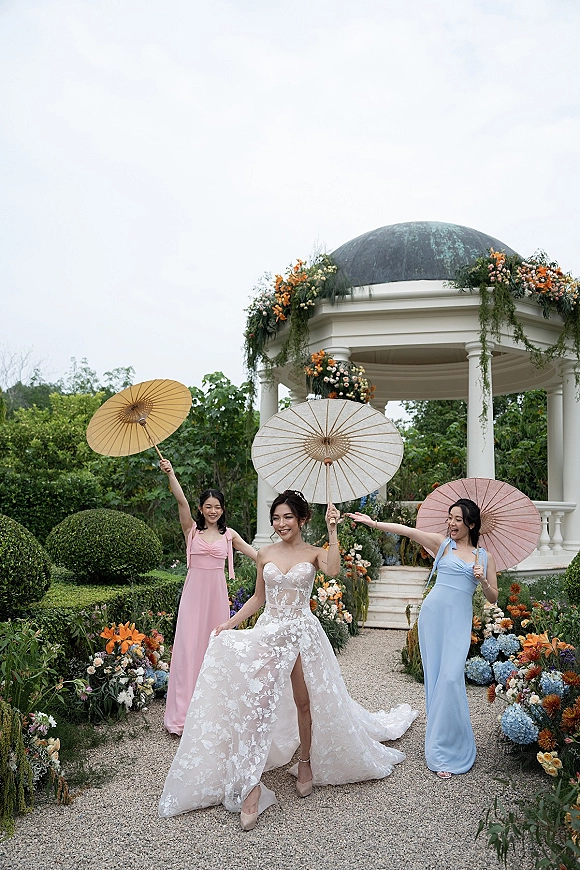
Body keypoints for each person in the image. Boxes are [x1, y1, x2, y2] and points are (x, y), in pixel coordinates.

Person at [159, 490, 417, 830]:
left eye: (287, 518)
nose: (281, 524)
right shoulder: (264, 552)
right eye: (276, 518)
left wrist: (334, 530)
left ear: (301, 519)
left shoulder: (314, 553)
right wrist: (229, 623)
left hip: (301, 634)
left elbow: (335, 570)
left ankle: (306, 761)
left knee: (304, 702)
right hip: (270, 632)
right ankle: (250, 784)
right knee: (257, 703)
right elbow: (257, 599)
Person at [347, 498, 498, 779]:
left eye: (457, 519)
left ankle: (455, 742)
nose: (451, 523)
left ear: (471, 524)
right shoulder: (442, 544)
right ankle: (440, 749)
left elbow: (493, 597)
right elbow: (407, 531)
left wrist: (484, 581)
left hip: (458, 621)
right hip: (433, 617)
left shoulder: (484, 557)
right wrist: (373, 523)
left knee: (452, 678)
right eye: (449, 518)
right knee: (438, 679)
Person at [159, 458, 257, 735]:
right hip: (193, 597)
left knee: (214, 649)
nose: (213, 511)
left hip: (216, 597)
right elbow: (181, 502)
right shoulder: (192, 531)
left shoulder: (230, 535)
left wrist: (289, 557)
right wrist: (172, 473)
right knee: (189, 650)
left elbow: (258, 555)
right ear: (201, 509)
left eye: (217, 507)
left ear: (222, 510)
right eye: (208, 506)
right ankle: (182, 716)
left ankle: (213, 713)